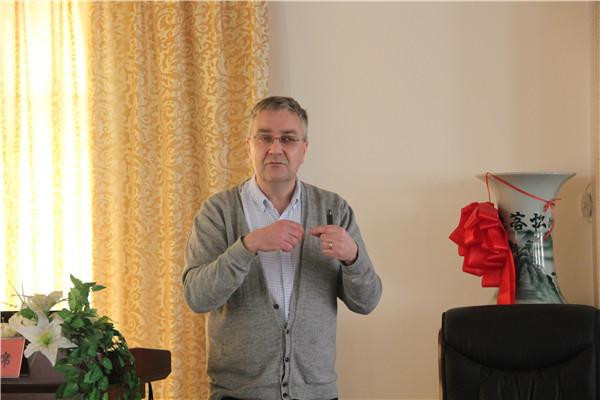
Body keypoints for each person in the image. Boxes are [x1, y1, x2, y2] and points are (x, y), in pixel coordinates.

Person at [182, 96, 382, 400]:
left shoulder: (334, 208)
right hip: (238, 395)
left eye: (288, 139)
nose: (275, 149)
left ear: (304, 149)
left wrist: (353, 257)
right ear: (249, 145)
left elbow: (367, 302)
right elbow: (196, 297)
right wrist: (248, 245)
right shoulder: (218, 211)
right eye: (265, 137)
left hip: (317, 394)